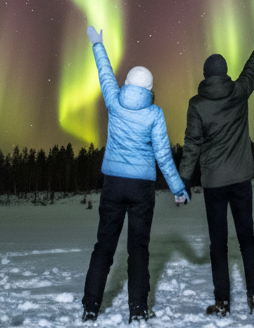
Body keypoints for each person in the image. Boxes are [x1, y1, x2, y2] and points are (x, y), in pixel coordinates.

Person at [81, 25, 190, 323]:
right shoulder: (154, 113)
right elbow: (164, 156)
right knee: (138, 250)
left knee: (104, 246)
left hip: (114, 185)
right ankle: (138, 311)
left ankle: (90, 307)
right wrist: (178, 188)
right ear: (149, 89)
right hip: (142, 187)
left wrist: (97, 44)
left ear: (128, 83)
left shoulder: (115, 101)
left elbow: (104, 72)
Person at [179, 18, 254, 317]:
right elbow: (252, 68)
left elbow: (192, 143)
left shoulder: (197, 103)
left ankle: (222, 302)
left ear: (206, 75)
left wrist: (183, 178)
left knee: (218, 244)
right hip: (240, 179)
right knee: (247, 239)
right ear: (224, 73)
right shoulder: (238, 92)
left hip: (213, 183)